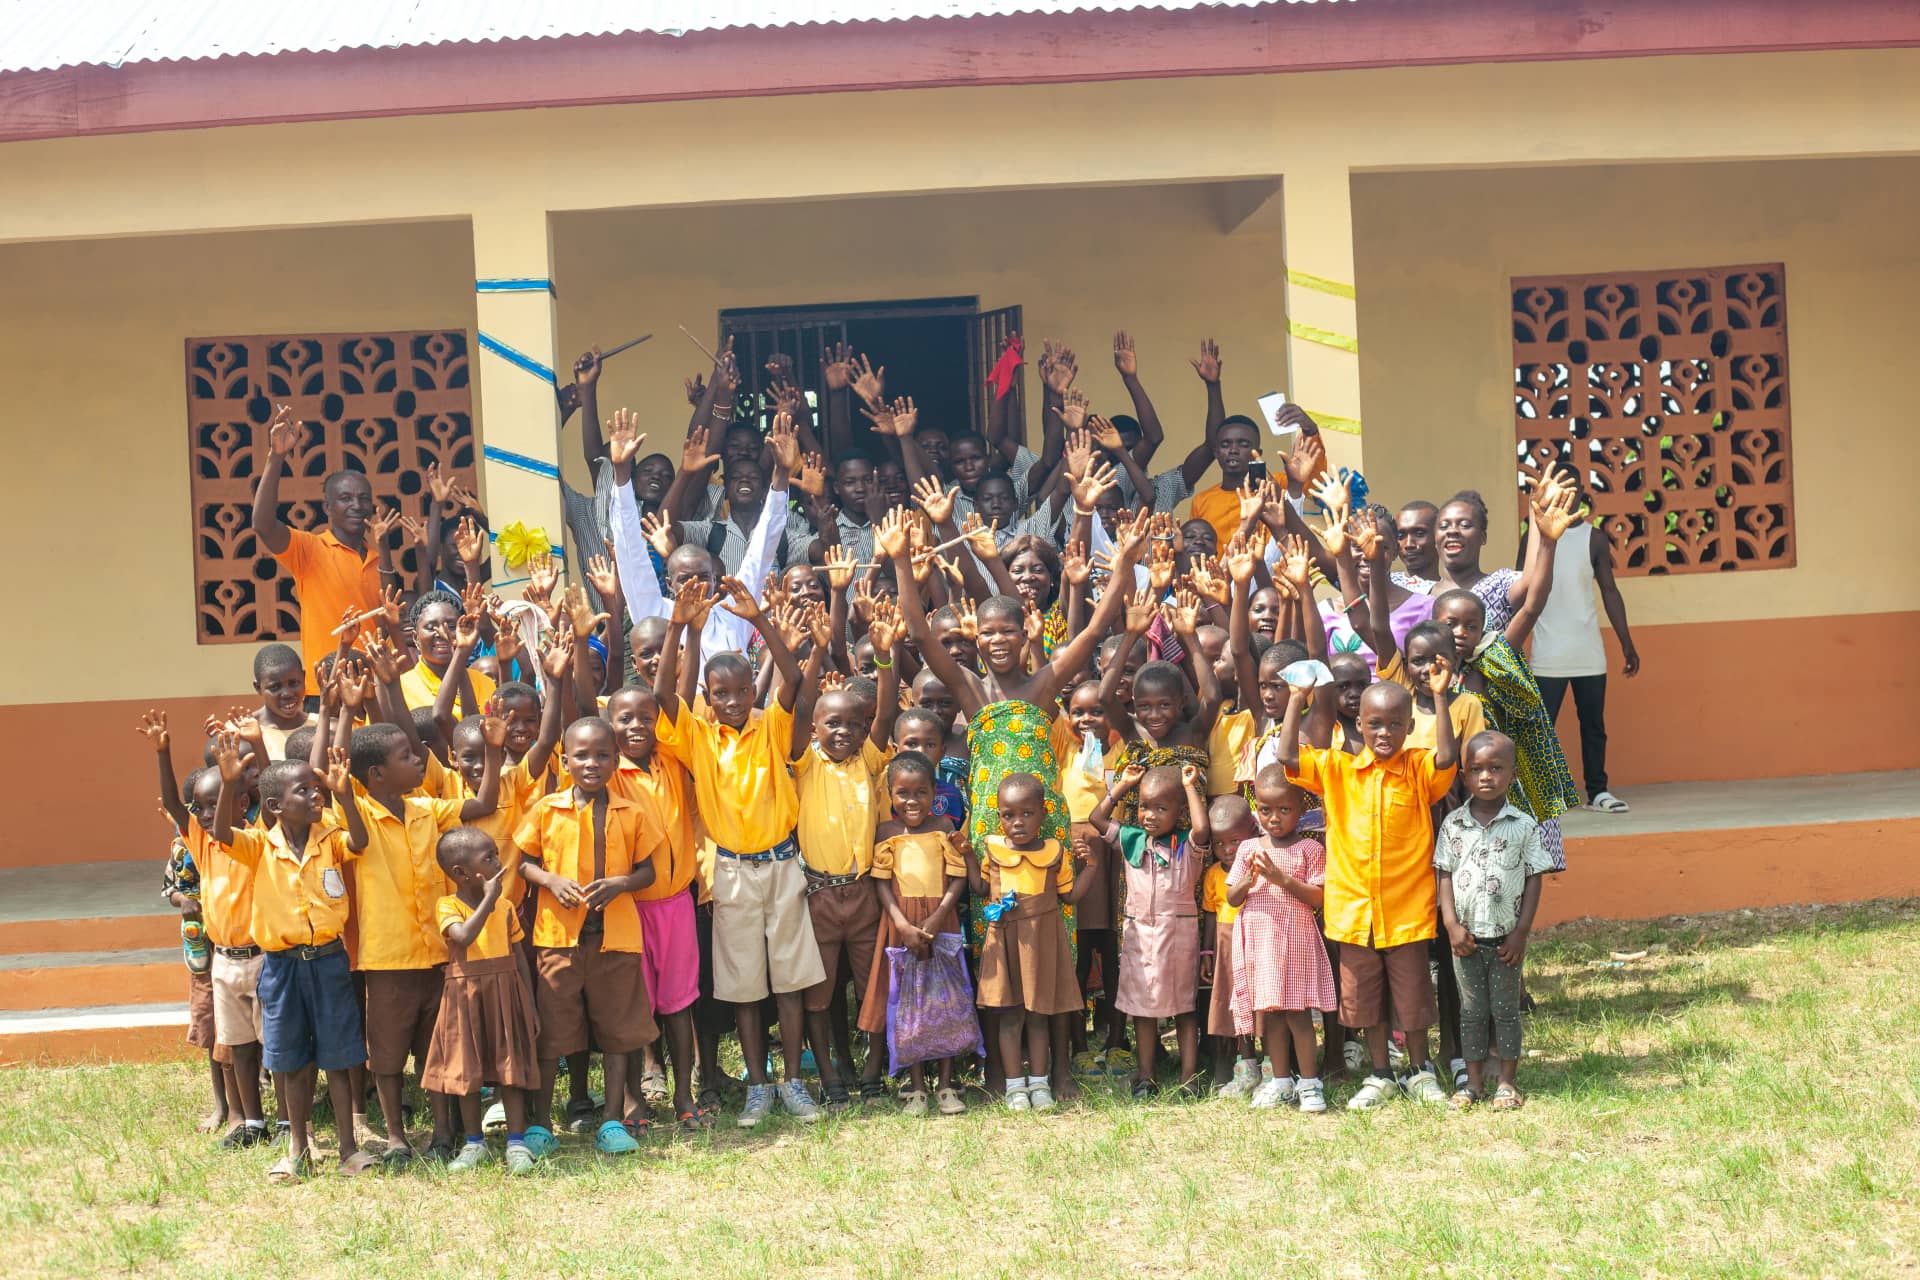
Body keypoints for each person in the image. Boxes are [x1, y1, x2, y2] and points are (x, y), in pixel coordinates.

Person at [653, 575, 826, 1130]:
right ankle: (757, 1085)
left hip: (781, 866)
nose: (730, 701)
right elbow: (664, 696)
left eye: (741, 690)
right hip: (730, 873)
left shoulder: (769, 728)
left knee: (792, 981)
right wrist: (683, 627)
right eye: (719, 693)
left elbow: (794, 677)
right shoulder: (698, 737)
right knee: (746, 987)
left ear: (754, 689)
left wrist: (759, 621)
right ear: (707, 695)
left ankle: (793, 1083)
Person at [1280, 661, 1459, 1111]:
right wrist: (1297, 701)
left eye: (1395, 725)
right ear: (1357, 723)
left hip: (1406, 911)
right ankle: (1380, 1074)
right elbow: (1288, 758)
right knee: (1366, 1002)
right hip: (1354, 912)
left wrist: (1440, 696)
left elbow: (1448, 759)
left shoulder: (1418, 769)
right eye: (1374, 724)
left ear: (1409, 728)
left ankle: (1418, 1071)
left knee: (1414, 998)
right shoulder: (1337, 770)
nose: (1384, 733)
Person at [210, 737, 372, 1183]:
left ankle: (348, 1150)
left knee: (339, 1058)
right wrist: (228, 784)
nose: (315, 794)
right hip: (281, 968)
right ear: (276, 806)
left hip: (329, 961)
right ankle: (298, 1148)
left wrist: (345, 794)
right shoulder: (260, 846)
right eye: (305, 791)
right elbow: (221, 835)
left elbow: (360, 840)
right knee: (291, 1060)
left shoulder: (331, 837)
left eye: (316, 788)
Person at [514, 717, 664, 1155]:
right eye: (581, 755)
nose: (592, 763)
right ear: (564, 762)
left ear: (616, 761)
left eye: (602, 755)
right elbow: (524, 861)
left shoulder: (631, 813)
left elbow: (647, 871)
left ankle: (612, 1120)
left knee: (617, 1031)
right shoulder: (547, 809)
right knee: (554, 1031)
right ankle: (541, 1125)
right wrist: (551, 881)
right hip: (558, 940)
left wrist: (620, 884)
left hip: (614, 939)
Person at [789, 597, 905, 1108]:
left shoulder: (869, 761)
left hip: (863, 896)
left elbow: (884, 711)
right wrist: (816, 654)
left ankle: (874, 1072)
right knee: (820, 993)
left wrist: (884, 658)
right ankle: (832, 1075)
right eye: (831, 724)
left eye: (852, 726)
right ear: (816, 728)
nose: (843, 732)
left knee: (872, 986)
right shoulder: (805, 764)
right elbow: (796, 710)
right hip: (817, 895)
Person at [605, 684, 706, 1131]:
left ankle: (685, 1096)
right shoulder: (608, 769)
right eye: (624, 719)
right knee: (632, 1009)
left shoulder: (673, 759)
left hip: (675, 904)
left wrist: (681, 629)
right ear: (610, 726)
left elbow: (672, 692)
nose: (636, 726)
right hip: (628, 907)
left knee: (678, 1006)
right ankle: (633, 1101)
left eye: (645, 717)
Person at [1435, 731, 1553, 1110]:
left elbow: (1535, 876)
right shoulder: (1453, 824)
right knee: (1470, 1012)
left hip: (1505, 941)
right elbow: (1445, 875)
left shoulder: (1523, 825)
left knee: (1504, 1010)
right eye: (1477, 769)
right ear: (1464, 776)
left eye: (1496, 768)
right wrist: (1452, 926)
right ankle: (1472, 1083)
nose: (1486, 776)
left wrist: (1521, 932)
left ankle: (1506, 1082)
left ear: (1513, 775)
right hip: (1465, 940)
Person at [965, 772, 1093, 1112]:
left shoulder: (1054, 851)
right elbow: (980, 890)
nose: (1017, 822)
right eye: (1009, 815)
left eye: (1026, 814)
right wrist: (966, 855)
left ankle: (1039, 1084)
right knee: (1011, 1015)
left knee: (1039, 1014)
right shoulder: (991, 849)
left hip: (1042, 941)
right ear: (999, 817)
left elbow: (1070, 897)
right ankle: (1013, 1087)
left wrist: (1090, 867)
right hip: (1004, 940)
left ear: (1043, 814)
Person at [1521, 466, 1640, 813]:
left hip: (1588, 651)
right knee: (1541, 728)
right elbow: (1519, 589)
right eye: (1556, 486)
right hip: (1547, 653)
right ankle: (1539, 794)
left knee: (1593, 726)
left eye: (1569, 486)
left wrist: (1626, 643)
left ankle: (1598, 792)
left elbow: (1609, 591)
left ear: (1580, 490)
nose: (1562, 492)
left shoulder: (1595, 538)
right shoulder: (1534, 536)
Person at [424, 827, 542, 1172]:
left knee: (511, 1068)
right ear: (460, 873)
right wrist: (489, 899)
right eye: (488, 858)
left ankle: (516, 1143)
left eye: (495, 854)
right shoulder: (447, 904)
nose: (497, 862)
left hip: (506, 992)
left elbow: (519, 955)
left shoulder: (506, 907)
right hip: (465, 996)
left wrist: (530, 1005)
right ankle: (474, 1143)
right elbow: (462, 936)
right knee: (467, 1070)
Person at [860, 751, 971, 1116]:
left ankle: (946, 1085)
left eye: (921, 792)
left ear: (933, 791)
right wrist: (902, 924)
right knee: (910, 1004)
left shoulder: (943, 828)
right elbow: (882, 885)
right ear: (890, 794)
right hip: (902, 926)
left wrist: (940, 915)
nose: (912, 801)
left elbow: (958, 877)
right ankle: (918, 1087)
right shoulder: (886, 833)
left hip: (941, 923)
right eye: (903, 793)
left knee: (944, 1000)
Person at [1091, 763, 1211, 1097]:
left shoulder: (1186, 846)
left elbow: (1203, 828)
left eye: (1161, 808)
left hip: (1178, 941)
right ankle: (1146, 1075)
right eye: (1145, 806)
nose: (1150, 815)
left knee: (1185, 1008)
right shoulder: (1132, 840)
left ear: (1179, 811)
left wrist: (1189, 786)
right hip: (1140, 940)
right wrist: (1123, 785)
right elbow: (1097, 820)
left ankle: (1189, 1076)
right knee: (1142, 1012)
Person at [249, 403, 381, 698]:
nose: (356, 505)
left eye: (363, 498)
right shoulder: (309, 549)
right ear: (328, 508)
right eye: (345, 498)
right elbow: (262, 524)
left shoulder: (380, 559)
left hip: (376, 691)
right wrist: (276, 457)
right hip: (325, 691)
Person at [1227, 767, 1337, 1113]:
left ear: (1300, 809)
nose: (1274, 818)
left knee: (1298, 1013)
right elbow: (1232, 897)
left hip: (1295, 941)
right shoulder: (1248, 847)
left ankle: (1309, 1083)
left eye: (1284, 810)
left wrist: (1279, 877)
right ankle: (1280, 1081)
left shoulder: (1309, 848)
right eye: (1265, 810)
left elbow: (1318, 897)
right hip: (1260, 941)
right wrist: (1249, 880)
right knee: (1270, 1016)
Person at [1200, 794, 1260, 1098]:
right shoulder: (1212, 875)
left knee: (1262, 1002)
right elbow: (1210, 915)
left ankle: (1274, 1063)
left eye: (1234, 842)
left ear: (1251, 832)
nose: (1226, 850)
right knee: (1231, 1005)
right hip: (1225, 942)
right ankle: (1242, 1066)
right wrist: (1207, 953)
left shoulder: (1260, 866)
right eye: (1219, 843)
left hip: (1258, 939)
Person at [250, 644, 317, 760]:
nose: (287, 694)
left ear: (304, 677)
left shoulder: (321, 725)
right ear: (258, 687)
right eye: (275, 687)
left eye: (293, 683)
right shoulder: (243, 732)